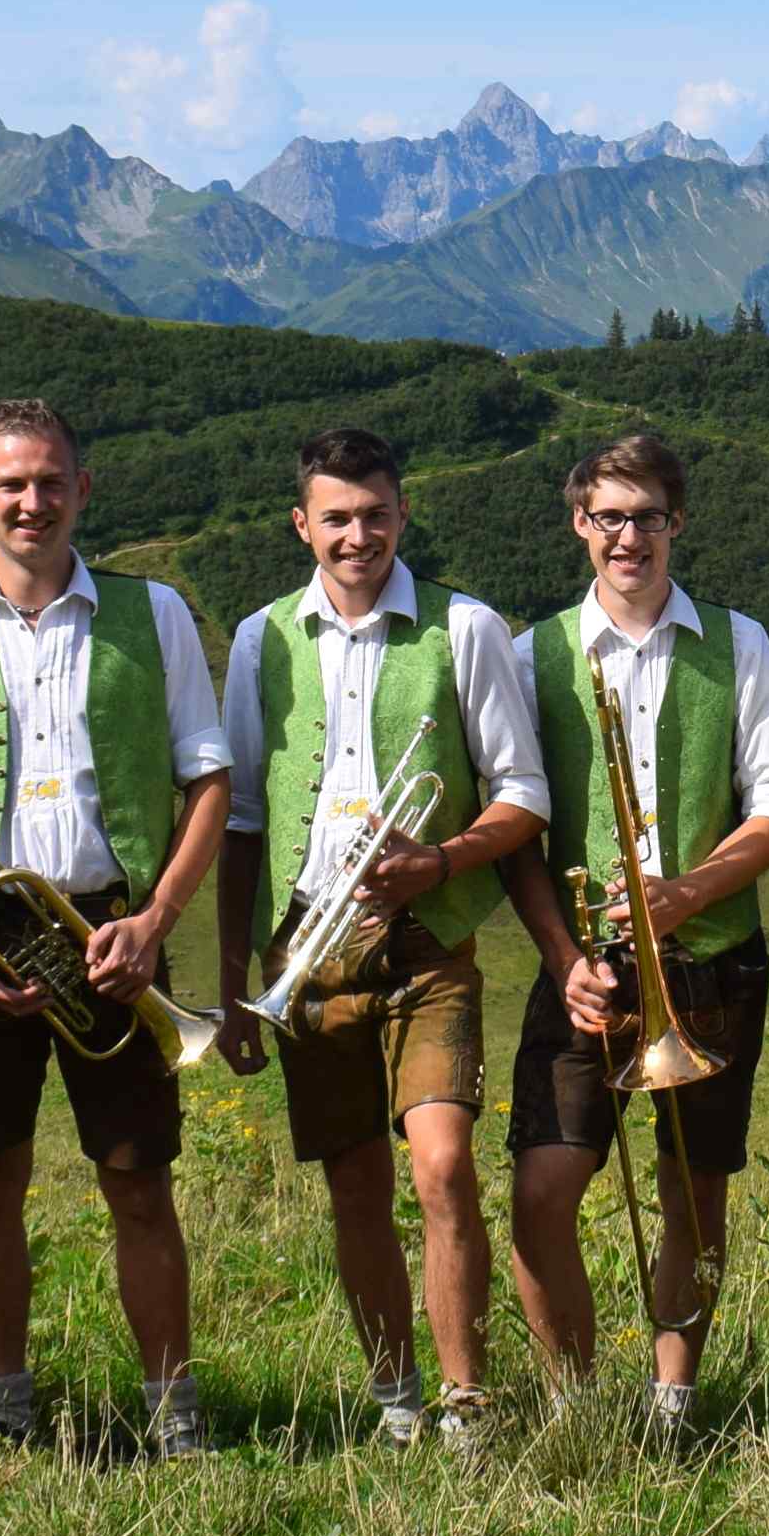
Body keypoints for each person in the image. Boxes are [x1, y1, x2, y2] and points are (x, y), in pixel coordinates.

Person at [0, 397, 234, 1465]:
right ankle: (4, 1412)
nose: (31, 502)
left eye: (49, 481)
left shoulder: (154, 612)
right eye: (10, 484)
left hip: (116, 936)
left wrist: (156, 919)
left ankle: (173, 1416)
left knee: (138, 1180)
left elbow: (209, 781)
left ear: (83, 488)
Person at [214, 425, 548, 1457]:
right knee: (353, 1184)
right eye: (336, 519)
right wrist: (232, 979)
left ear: (403, 514)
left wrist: (439, 861)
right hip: (303, 950)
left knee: (442, 1168)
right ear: (301, 525)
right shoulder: (260, 639)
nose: (356, 536)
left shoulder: (466, 627)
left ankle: (466, 1400)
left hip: (424, 943)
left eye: (373, 515)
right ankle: (396, 1398)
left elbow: (522, 794)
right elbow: (241, 818)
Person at [505, 434, 769, 1434]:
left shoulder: (739, 642)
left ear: (677, 523)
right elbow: (519, 826)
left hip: (710, 962)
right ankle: (575, 1405)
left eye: (646, 517)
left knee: (693, 1193)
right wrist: (562, 960)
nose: (627, 537)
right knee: (543, 1187)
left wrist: (687, 894)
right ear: (579, 524)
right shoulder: (532, 655)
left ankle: (673, 1406)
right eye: (609, 517)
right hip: (584, 969)